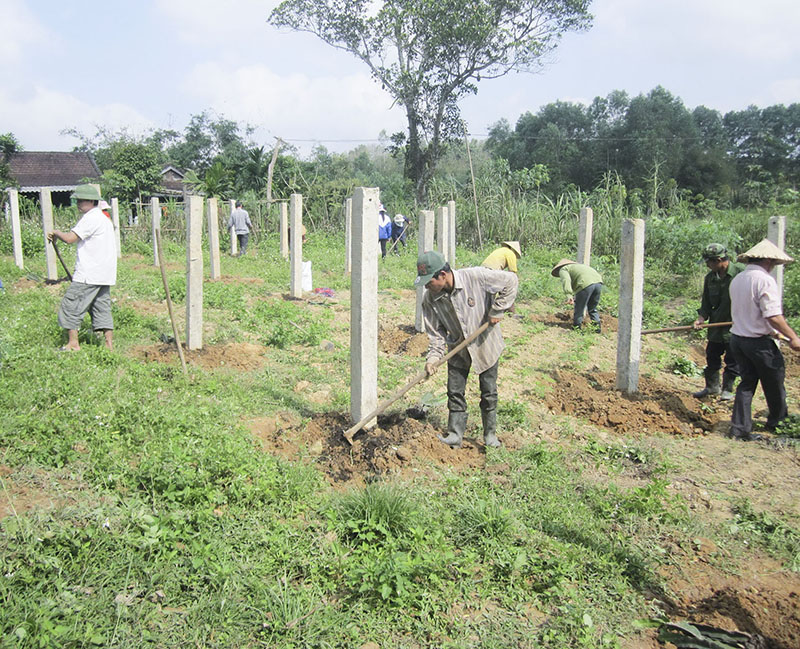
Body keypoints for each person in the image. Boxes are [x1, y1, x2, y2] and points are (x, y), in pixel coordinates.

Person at [415, 250, 518, 449]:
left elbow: (511, 281)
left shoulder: (477, 277)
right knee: (455, 392)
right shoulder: (430, 299)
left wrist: (498, 309)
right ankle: (455, 434)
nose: (427, 286)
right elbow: (436, 334)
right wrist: (433, 358)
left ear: (442, 275)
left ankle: (490, 436)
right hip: (457, 348)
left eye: (429, 282)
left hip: (485, 345)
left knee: (488, 392)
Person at [728, 239, 800, 441]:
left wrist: (773, 332)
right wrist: (793, 337)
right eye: (774, 263)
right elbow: (773, 316)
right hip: (758, 343)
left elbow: (751, 312)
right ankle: (778, 422)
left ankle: (739, 429)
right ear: (768, 261)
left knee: (747, 383)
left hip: (738, 339)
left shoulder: (738, 279)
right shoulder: (764, 280)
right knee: (774, 381)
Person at [47, 184, 117, 351]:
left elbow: (70, 238)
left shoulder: (91, 218)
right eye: (77, 200)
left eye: (82, 200)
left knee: (70, 305)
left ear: (92, 201)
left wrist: (57, 233)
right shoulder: (104, 219)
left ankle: (73, 344)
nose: (78, 204)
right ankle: (109, 345)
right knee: (101, 307)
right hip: (104, 273)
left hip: (89, 273)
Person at [692, 243, 745, 399]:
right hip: (716, 325)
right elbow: (706, 303)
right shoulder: (710, 278)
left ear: (719, 260)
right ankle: (712, 387)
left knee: (732, 359)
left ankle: (727, 389)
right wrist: (701, 319)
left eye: (709, 262)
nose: (707, 266)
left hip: (736, 326)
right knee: (712, 355)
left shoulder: (741, 273)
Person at [551, 259, 603, 331]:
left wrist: (569, 295)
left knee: (579, 308)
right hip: (598, 283)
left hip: (584, 283)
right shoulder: (578, 267)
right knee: (592, 308)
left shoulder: (563, 269)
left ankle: (577, 328)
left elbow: (566, 280)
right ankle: (597, 329)